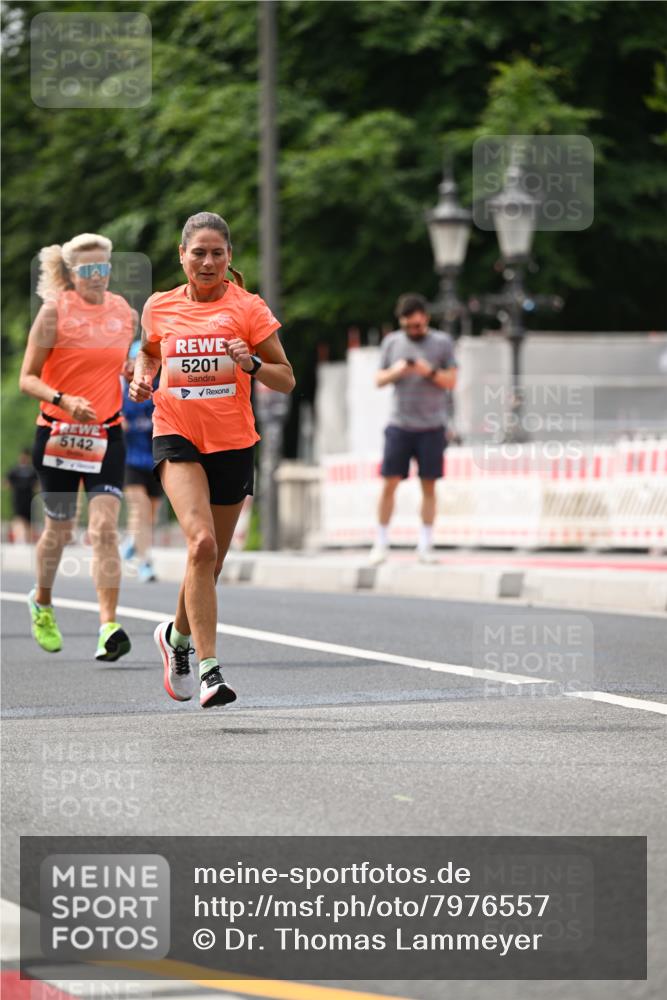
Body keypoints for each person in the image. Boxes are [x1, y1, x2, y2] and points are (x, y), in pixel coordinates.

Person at [129, 211, 295, 708]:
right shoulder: (159, 306)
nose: (207, 261)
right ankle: (209, 669)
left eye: (216, 253)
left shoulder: (248, 308)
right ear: (182, 256)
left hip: (233, 443)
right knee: (199, 543)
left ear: (229, 258)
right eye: (197, 252)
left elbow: (286, 378)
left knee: (211, 561)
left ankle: (174, 637)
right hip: (176, 434)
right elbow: (150, 354)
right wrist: (141, 376)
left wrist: (252, 363)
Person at [19, 233, 136, 659]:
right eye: (88, 270)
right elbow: (27, 377)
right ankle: (43, 602)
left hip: (107, 433)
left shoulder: (124, 312)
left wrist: (134, 374)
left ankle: (108, 625)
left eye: (103, 267)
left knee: (104, 528)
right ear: (71, 274)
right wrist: (64, 400)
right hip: (58, 433)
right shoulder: (54, 313)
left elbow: (123, 365)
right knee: (60, 530)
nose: (97, 276)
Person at [370, 292, 457, 565]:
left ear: (426, 319)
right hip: (400, 424)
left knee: (429, 485)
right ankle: (381, 542)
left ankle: (425, 544)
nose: (413, 331)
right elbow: (379, 379)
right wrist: (397, 371)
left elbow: (451, 380)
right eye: (408, 326)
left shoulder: (442, 342)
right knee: (389, 483)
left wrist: (426, 371)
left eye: (417, 326)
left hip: (432, 425)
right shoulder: (392, 342)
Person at [121, 340, 163, 582]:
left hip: (156, 459)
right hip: (131, 459)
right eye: (138, 362)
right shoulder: (122, 389)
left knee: (150, 515)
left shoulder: (160, 388)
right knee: (141, 508)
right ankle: (146, 562)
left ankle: (132, 540)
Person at [6, 449, 38, 543]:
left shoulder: (32, 471)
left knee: (29, 520)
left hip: (29, 499)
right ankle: (18, 537)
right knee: (18, 518)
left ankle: (28, 539)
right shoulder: (14, 470)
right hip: (18, 499)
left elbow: (37, 484)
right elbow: (7, 483)